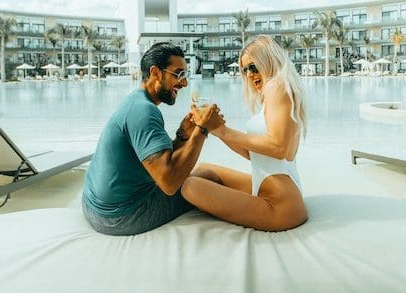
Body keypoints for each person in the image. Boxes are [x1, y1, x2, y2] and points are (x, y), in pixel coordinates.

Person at [82, 42, 224, 235]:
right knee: (208, 178)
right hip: (120, 217)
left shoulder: (136, 101)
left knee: (200, 175)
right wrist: (202, 129)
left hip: (94, 205)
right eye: (179, 74)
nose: (184, 83)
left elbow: (157, 161)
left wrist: (183, 136)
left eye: (185, 75)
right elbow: (169, 184)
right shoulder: (144, 112)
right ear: (156, 72)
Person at [181, 35, 308, 231]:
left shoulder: (277, 86)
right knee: (204, 170)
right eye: (245, 69)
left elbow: (279, 147)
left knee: (190, 187)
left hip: (280, 205)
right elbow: (254, 154)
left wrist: (224, 130)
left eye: (253, 66)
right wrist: (215, 130)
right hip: (270, 188)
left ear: (268, 60)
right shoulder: (273, 94)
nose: (249, 74)